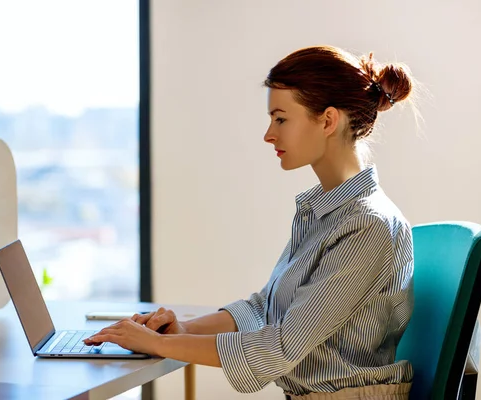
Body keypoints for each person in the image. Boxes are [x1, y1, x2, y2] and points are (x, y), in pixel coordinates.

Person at [84, 45, 415, 399]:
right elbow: (265, 309)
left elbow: (280, 346)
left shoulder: (367, 225)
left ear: (328, 121)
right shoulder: (326, 213)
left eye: (281, 118)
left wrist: (158, 344)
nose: (269, 134)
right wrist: (182, 330)